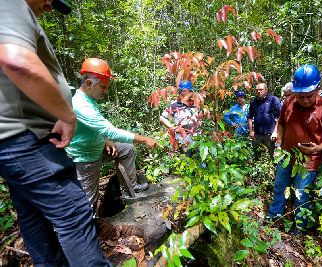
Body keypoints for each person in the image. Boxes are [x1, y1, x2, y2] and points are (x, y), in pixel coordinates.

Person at [0, 1, 111, 266]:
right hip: (26, 138)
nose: (50, 5)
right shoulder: (10, 3)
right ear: (88, 82)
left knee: (33, 215)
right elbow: (16, 60)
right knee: (74, 213)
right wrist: (65, 114)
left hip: (13, 140)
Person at [66, 58, 157, 208]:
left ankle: (130, 189)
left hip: (97, 146)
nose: (105, 91)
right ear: (89, 83)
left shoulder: (89, 100)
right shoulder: (80, 105)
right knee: (88, 201)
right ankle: (86, 227)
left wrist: (105, 140)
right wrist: (145, 139)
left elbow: (96, 129)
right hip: (85, 156)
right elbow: (109, 130)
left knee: (126, 149)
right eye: (102, 87)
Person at [268, 64, 322, 230]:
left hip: (309, 160)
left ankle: (299, 226)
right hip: (286, 156)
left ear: (318, 89)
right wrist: (279, 142)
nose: (305, 100)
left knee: (301, 194)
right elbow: (281, 123)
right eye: (300, 96)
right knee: (280, 186)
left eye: (309, 96)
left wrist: (317, 148)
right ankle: (274, 217)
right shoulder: (289, 102)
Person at [160, 80, 201, 153]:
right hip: (182, 139)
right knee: (184, 160)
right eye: (184, 91)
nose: (189, 93)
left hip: (196, 137)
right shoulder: (175, 105)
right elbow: (162, 118)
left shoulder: (196, 104)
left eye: (190, 91)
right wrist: (171, 127)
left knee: (200, 161)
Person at [247, 83, 281, 158]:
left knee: (272, 156)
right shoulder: (254, 102)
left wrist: (275, 132)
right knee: (257, 155)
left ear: (266, 90)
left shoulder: (273, 100)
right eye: (257, 90)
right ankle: (257, 169)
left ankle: (273, 168)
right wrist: (251, 131)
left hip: (270, 134)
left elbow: (280, 116)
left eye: (261, 90)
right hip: (257, 134)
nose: (259, 91)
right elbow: (249, 117)